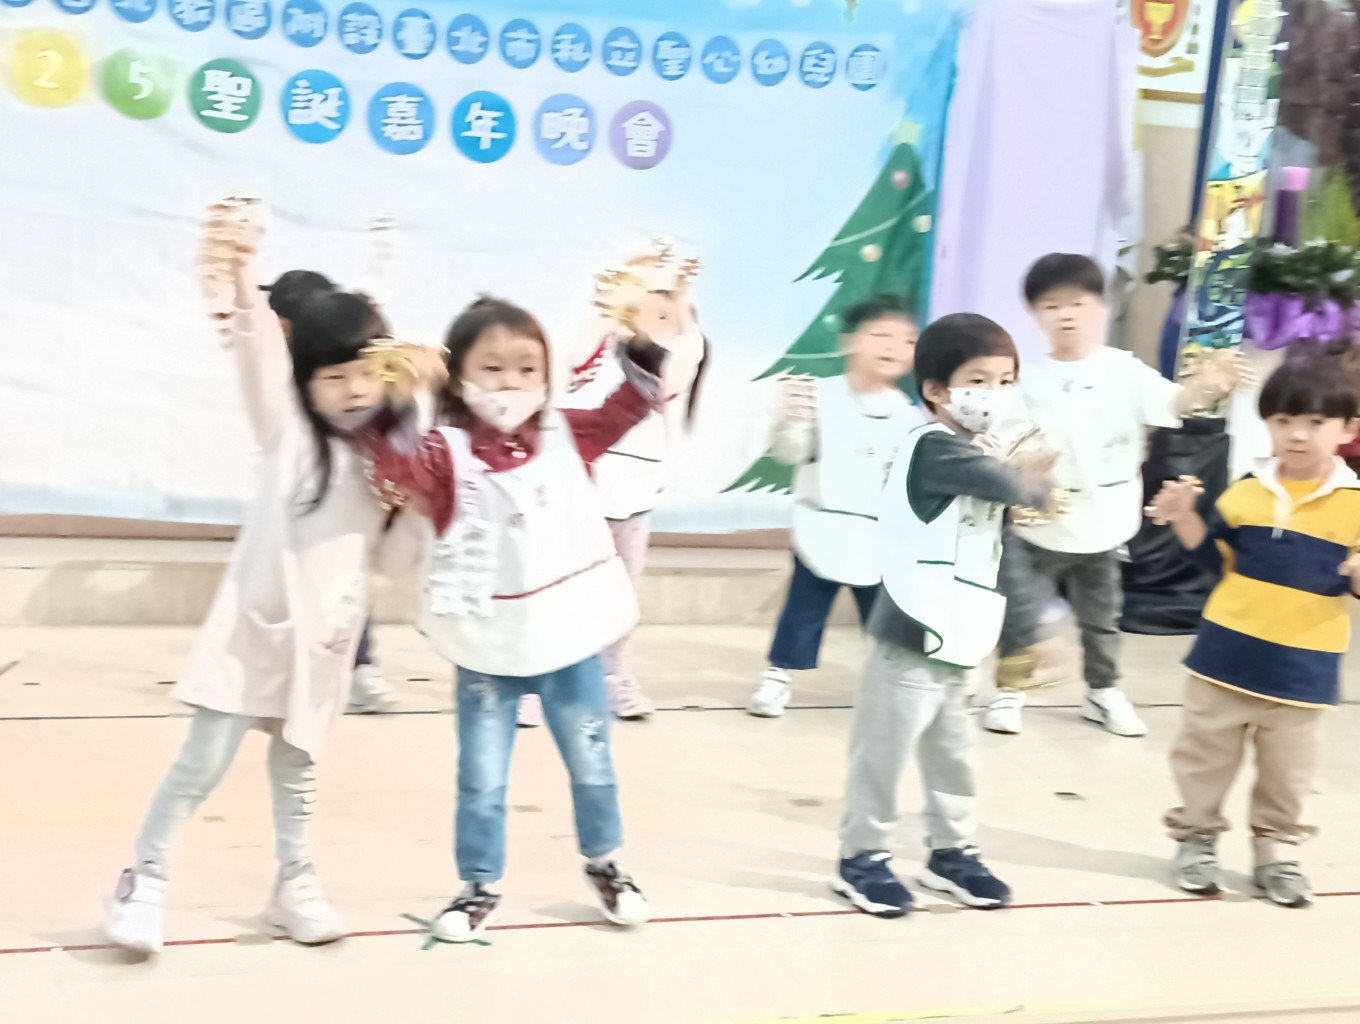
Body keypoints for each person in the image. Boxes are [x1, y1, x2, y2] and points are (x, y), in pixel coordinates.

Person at [102, 204, 430, 955]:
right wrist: (242, 265)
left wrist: (414, 505)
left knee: (298, 770)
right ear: (304, 381)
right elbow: (255, 346)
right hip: (250, 635)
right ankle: (144, 879)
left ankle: (294, 883)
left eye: (365, 375)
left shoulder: (386, 462)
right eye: (333, 377)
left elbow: (394, 565)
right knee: (202, 762)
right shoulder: (285, 433)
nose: (352, 390)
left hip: (324, 646)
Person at [365, 296, 663, 943]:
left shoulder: (567, 434)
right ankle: (478, 885)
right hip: (488, 649)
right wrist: (401, 395)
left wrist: (643, 342)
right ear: (459, 377)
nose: (511, 383)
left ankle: (606, 864)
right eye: (492, 368)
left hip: (568, 639)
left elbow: (629, 406)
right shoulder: (443, 453)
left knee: (592, 762)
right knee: (481, 777)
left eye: (527, 368)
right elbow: (393, 463)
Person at [833, 313, 1056, 918]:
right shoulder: (932, 446)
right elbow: (1012, 485)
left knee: (954, 754)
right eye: (979, 381)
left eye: (1006, 381)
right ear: (936, 390)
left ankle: (951, 852)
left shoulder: (976, 454)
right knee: (883, 753)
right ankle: (862, 858)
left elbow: (1004, 548)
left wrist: (1019, 639)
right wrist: (1033, 476)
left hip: (963, 636)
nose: (996, 394)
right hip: (911, 631)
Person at [986, 253, 1248, 737]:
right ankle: (1010, 691)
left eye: (1077, 303)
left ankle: (1102, 690)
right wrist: (1023, 462)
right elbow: (1004, 437)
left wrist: (1207, 385)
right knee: (1019, 613)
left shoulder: (1123, 369)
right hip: (1037, 522)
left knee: (1101, 618)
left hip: (1104, 523)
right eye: (1052, 305)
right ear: (1034, 314)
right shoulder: (1025, 377)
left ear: (1100, 307)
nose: (1066, 315)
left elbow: (1175, 403)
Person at [1147, 356, 1360, 909]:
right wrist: (1184, 516)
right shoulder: (1245, 492)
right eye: (1284, 420)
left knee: (1288, 774)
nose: (1297, 434)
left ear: (1348, 429)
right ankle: (1196, 839)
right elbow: (1209, 560)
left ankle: (1277, 853)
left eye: (1315, 422)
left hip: (1304, 671)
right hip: (1223, 658)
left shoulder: (1356, 506)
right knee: (1203, 759)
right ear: (1267, 423)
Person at [553, 240, 708, 723]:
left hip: (635, 498)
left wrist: (680, 292)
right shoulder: (595, 350)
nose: (660, 315)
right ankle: (542, 681)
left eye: (668, 309)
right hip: (580, 494)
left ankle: (614, 680)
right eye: (649, 303)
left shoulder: (669, 364)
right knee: (561, 590)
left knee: (621, 599)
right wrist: (628, 268)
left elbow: (688, 344)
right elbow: (583, 323)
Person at [748, 295, 922, 718]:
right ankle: (778, 676)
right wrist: (790, 424)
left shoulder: (912, 417)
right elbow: (792, 453)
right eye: (880, 334)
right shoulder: (817, 395)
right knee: (804, 608)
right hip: (823, 523)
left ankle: (892, 681)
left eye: (907, 340)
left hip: (881, 534)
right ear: (849, 341)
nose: (893, 346)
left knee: (883, 616)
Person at [261, 267, 394, 715]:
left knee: (344, 578)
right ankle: (321, 670)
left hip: (345, 495)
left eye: (281, 325)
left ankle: (359, 668)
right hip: (300, 496)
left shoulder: (344, 363)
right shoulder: (286, 368)